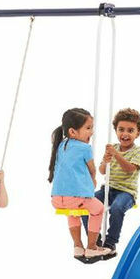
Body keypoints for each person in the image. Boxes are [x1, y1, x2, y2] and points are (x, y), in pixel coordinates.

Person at [49, 108, 112, 261]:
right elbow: (92, 169)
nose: (92, 132)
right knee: (98, 209)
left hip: (56, 199)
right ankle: (92, 247)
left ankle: (77, 246)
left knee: (73, 212)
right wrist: (93, 180)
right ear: (72, 131)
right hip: (76, 198)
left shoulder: (60, 145)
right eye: (88, 128)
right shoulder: (85, 148)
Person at [82, 108, 140, 253]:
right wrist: (106, 160)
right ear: (116, 130)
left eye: (130, 130)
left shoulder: (139, 151)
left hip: (126, 193)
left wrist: (116, 155)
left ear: (137, 133)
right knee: (85, 204)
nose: (125, 134)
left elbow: (129, 169)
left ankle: (111, 243)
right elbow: (102, 170)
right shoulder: (113, 148)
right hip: (107, 189)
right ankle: (95, 239)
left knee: (117, 208)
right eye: (121, 129)